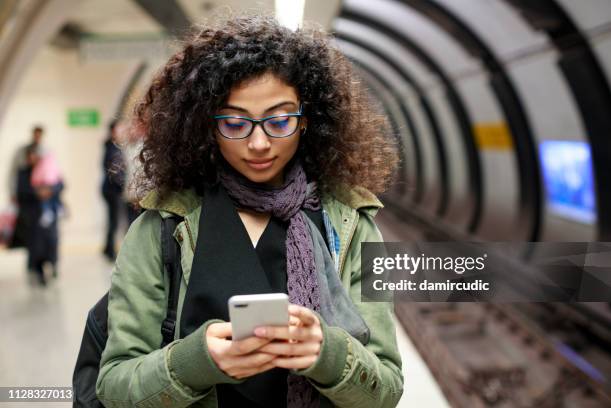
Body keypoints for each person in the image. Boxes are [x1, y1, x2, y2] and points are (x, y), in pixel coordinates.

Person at [96, 15, 403, 408]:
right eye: (236, 124)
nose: (259, 143)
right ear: (207, 125)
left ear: (306, 121)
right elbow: (114, 384)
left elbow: (387, 387)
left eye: (279, 121)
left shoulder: (351, 225)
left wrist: (326, 354)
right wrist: (194, 362)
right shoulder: (163, 227)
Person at [15, 145, 63, 286]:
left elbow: (60, 183)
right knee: (37, 247)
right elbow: (21, 192)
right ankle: (39, 271)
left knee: (52, 242)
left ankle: (53, 265)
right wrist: (37, 193)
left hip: (50, 215)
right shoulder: (23, 173)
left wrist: (50, 191)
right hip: (33, 216)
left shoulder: (47, 169)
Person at [101, 120, 128, 260]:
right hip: (112, 190)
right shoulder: (112, 149)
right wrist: (125, 185)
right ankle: (110, 251)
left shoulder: (110, 147)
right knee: (114, 221)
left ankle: (107, 249)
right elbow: (115, 172)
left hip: (109, 189)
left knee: (112, 220)